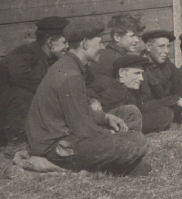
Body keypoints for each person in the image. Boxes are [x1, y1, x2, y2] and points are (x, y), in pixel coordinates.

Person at [26, 18, 150, 176]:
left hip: (69, 135)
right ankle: (116, 164)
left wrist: (106, 118)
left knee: (130, 112)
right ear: (85, 44)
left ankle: (119, 163)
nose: (103, 47)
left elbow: (81, 111)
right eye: (99, 42)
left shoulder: (73, 66)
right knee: (137, 141)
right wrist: (110, 135)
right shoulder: (70, 75)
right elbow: (82, 129)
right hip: (57, 147)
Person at [0, 16, 70, 153]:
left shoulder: (51, 59)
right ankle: (17, 144)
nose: (68, 47)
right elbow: (20, 77)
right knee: (23, 93)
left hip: (3, 116)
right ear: (50, 41)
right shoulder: (26, 52)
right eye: (65, 42)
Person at [88, 13, 145, 78]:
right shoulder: (117, 60)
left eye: (137, 36)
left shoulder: (107, 53)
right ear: (117, 37)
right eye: (132, 36)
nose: (137, 40)